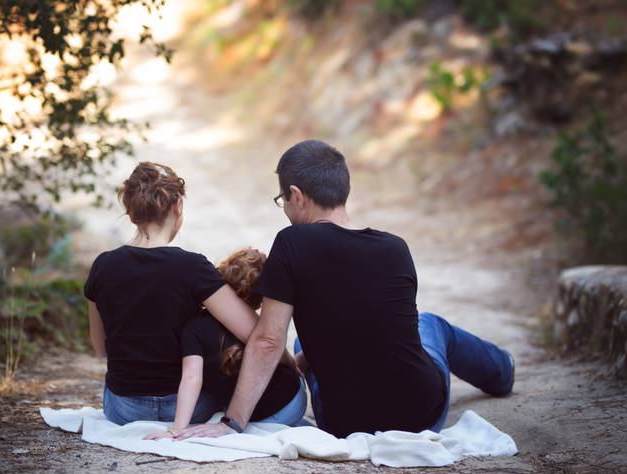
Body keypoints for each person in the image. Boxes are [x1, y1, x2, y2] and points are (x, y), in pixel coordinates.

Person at [176, 140, 515, 440]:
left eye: (283, 200)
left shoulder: (292, 242)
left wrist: (232, 423)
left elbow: (267, 340)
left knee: (299, 344)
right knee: (430, 325)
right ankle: (503, 371)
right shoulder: (395, 248)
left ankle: (501, 369)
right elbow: (382, 327)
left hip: (344, 423)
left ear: (296, 196)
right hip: (422, 416)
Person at [84, 162, 296, 426]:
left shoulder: (103, 266)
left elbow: (101, 347)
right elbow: (255, 333)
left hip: (123, 409)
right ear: (177, 207)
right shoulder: (192, 267)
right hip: (189, 407)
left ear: (130, 212)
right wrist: (289, 362)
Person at [145, 248, 307, 440]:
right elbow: (280, 357)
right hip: (293, 404)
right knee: (300, 349)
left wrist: (176, 429)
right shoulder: (261, 326)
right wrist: (294, 366)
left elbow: (191, 379)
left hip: (255, 419)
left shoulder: (194, 328)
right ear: (261, 297)